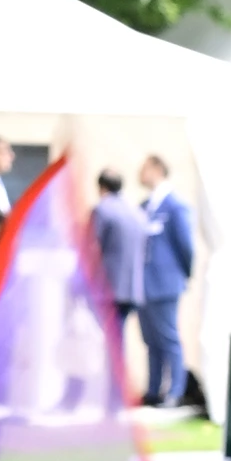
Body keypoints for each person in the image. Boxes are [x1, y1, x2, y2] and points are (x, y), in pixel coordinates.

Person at [137, 152, 195, 409]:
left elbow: (186, 246)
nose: (141, 173)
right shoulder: (144, 206)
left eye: (145, 168)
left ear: (158, 169)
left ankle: (175, 390)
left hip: (166, 283)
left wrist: (183, 275)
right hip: (145, 284)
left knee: (169, 337)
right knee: (151, 340)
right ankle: (153, 389)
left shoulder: (174, 206)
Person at [90, 167, 145, 331]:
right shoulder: (136, 211)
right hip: (131, 287)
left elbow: (92, 245)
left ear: (101, 188)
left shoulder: (103, 209)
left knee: (108, 338)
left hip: (109, 287)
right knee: (118, 335)